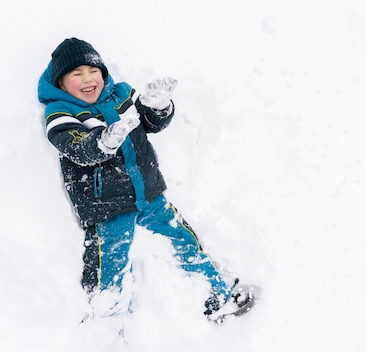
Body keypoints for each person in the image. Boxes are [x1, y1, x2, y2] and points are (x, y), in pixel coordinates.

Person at [37, 38, 252, 321]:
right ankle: (106, 331)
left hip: (149, 193)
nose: (88, 80)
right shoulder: (61, 112)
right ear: (62, 83)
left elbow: (150, 124)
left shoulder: (123, 94)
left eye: (93, 71)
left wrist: (157, 107)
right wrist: (101, 142)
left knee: (182, 239)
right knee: (109, 270)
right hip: (107, 209)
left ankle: (217, 294)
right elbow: (75, 147)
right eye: (77, 75)